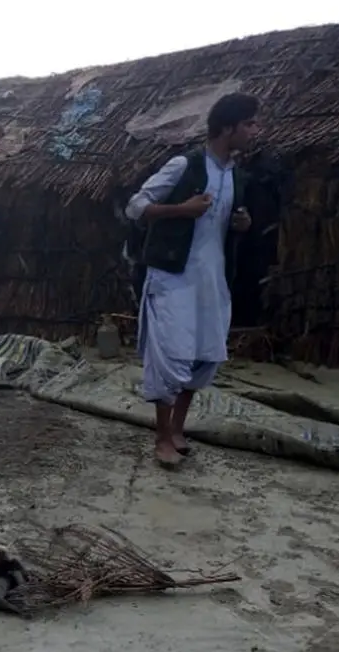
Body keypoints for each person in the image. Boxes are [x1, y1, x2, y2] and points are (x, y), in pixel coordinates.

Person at [125, 93, 259, 467]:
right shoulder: (185, 164)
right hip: (172, 277)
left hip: (212, 279)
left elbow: (225, 226)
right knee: (171, 355)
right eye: (249, 124)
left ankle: (178, 429)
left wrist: (241, 225)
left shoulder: (236, 176)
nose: (255, 131)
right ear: (228, 127)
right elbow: (135, 206)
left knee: (203, 354)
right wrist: (180, 210)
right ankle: (162, 439)